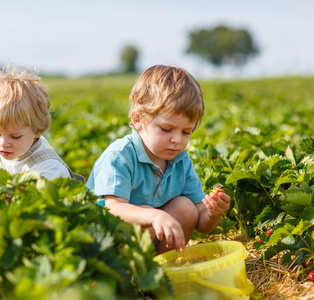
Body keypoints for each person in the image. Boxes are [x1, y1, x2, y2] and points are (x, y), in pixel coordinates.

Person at [86, 64, 230, 254]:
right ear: (138, 120)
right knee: (144, 215)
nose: (177, 140)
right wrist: (154, 215)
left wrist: (213, 213)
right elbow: (114, 209)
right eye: (166, 129)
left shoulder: (181, 161)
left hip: (151, 236)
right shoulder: (119, 156)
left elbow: (201, 222)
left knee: (186, 208)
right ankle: (130, 276)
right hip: (104, 243)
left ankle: (162, 271)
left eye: (186, 132)